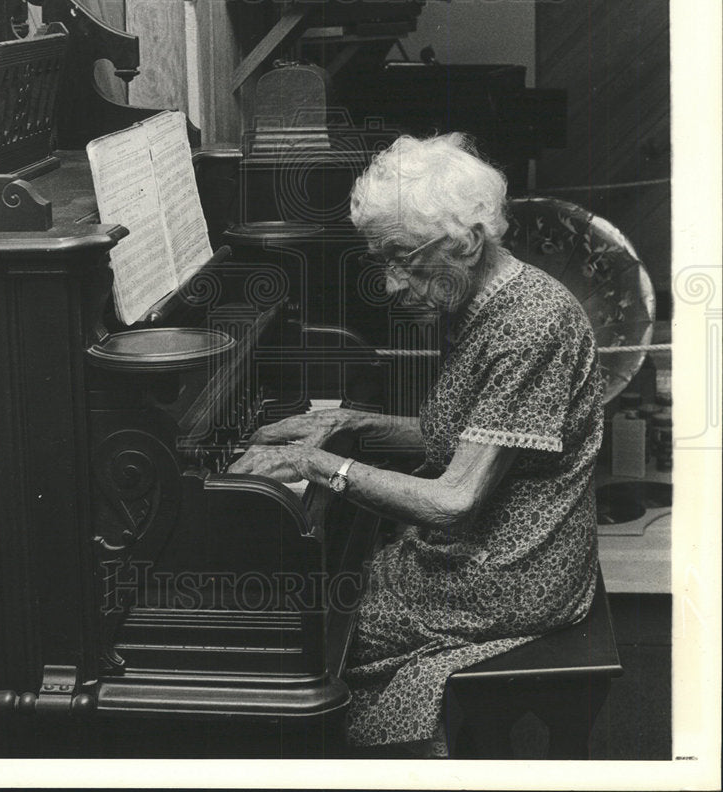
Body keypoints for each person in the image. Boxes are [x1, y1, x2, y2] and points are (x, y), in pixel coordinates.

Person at [228, 133, 603, 756]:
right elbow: (459, 439)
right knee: (312, 590)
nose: (392, 285)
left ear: (470, 240)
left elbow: (454, 501)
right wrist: (351, 423)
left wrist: (312, 461)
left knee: (306, 620)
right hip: (496, 545)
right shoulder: (474, 294)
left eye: (404, 258)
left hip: (515, 569)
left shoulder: (529, 325)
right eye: (381, 261)